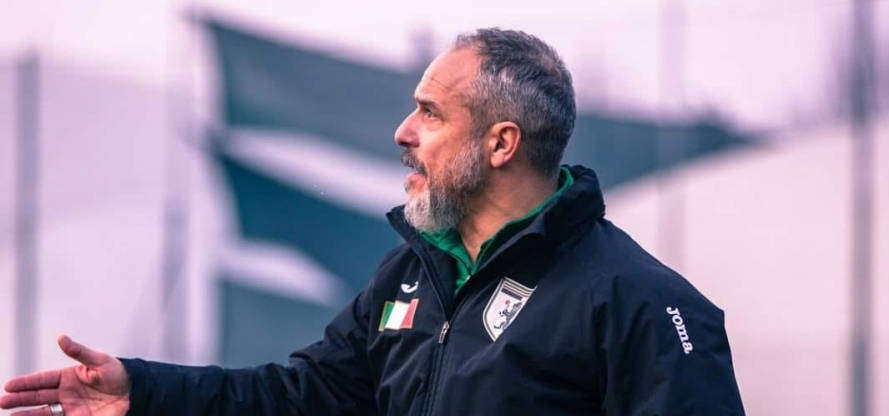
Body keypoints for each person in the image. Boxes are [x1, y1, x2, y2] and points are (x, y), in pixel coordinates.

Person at [0, 28, 745, 416]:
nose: (402, 132)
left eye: (430, 113)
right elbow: (299, 399)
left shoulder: (641, 304)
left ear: (501, 143)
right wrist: (143, 391)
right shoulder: (412, 274)